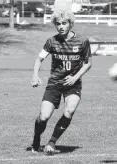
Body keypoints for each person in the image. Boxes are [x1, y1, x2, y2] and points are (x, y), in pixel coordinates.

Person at [30, 10, 92, 155]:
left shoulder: (82, 41)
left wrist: (75, 77)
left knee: (69, 111)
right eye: (58, 24)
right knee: (44, 116)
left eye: (64, 23)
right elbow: (39, 59)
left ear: (71, 24)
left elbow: (88, 63)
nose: (61, 26)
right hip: (54, 83)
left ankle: (51, 143)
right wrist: (34, 75)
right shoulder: (51, 41)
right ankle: (36, 139)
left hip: (73, 84)